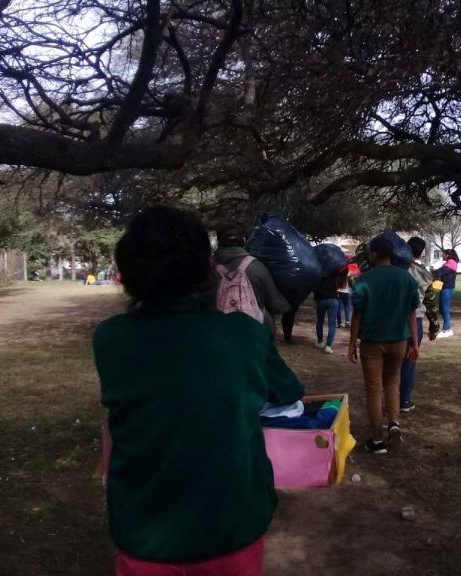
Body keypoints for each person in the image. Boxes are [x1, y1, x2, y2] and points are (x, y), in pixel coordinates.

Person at [93, 206, 304, 576]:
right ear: (206, 271)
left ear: (130, 275)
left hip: (144, 531)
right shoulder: (245, 334)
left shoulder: (111, 338)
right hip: (231, 526)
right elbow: (288, 391)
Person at [349, 236, 419, 454]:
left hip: (372, 343)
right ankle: (394, 423)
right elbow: (411, 312)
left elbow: (357, 316)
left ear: (375, 254)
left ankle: (377, 441)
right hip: (399, 341)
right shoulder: (406, 279)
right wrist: (414, 342)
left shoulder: (365, 279)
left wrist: (352, 343)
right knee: (392, 383)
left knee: (373, 390)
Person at [213, 224, 291, 334]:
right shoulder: (257, 267)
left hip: (215, 334)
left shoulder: (206, 268)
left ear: (218, 242)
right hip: (254, 335)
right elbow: (276, 306)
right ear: (244, 241)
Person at [400, 237, 440, 412]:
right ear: (421, 252)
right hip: (415, 321)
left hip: (395, 320)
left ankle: (391, 398)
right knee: (409, 362)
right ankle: (405, 400)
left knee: (392, 362)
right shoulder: (424, 273)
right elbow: (431, 304)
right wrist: (433, 327)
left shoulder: (395, 270)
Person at [313, 270, 342, 354]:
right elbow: (339, 285)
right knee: (332, 324)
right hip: (333, 299)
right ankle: (328, 346)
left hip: (321, 299)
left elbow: (314, 287)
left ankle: (320, 342)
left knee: (320, 320)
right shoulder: (335, 272)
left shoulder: (319, 272)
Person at [433, 248, 459, 338]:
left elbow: (439, 272)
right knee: (442, 309)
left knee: (445, 309)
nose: (442, 255)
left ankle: (446, 330)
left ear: (447, 255)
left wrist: (432, 274)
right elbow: (440, 272)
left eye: (443, 254)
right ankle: (448, 328)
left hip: (447, 289)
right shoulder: (449, 263)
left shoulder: (450, 263)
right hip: (446, 288)